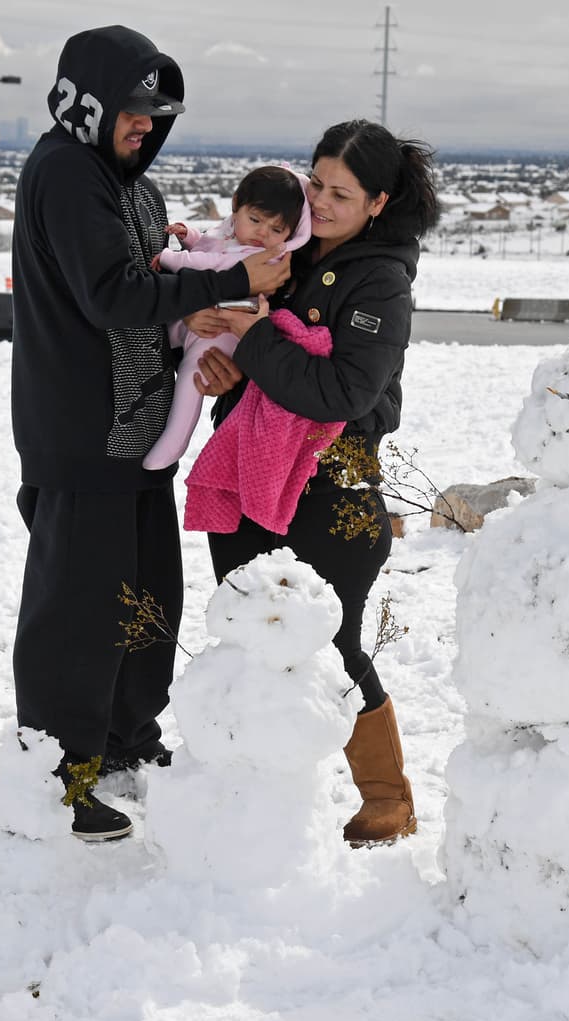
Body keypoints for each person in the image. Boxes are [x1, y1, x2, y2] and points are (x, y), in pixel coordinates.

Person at [9, 24, 291, 842]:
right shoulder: (67, 173)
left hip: (137, 429)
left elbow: (150, 291)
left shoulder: (131, 186)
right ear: (89, 104)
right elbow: (107, 293)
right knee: (78, 612)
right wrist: (237, 278)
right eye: (134, 111)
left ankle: (129, 741)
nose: (146, 125)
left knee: (145, 598)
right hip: (79, 430)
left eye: (157, 114)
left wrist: (198, 318)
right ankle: (64, 775)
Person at [187, 118, 440, 847]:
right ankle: (253, 802)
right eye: (317, 183)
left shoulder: (380, 281)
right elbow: (264, 374)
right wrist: (227, 369)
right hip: (252, 483)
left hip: (333, 497)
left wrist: (255, 338)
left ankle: (386, 799)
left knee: (333, 649)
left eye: (342, 193)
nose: (321, 202)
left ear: (379, 203)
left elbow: (339, 394)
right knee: (247, 642)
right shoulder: (286, 251)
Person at [143, 166, 311, 469]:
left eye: (276, 230)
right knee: (150, 345)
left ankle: (172, 445)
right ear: (236, 207)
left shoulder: (266, 257)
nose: (263, 234)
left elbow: (215, 263)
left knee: (191, 382)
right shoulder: (234, 234)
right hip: (202, 321)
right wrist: (191, 236)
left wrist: (172, 257)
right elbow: (213, 242)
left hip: (223, 332)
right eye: (256, 220)